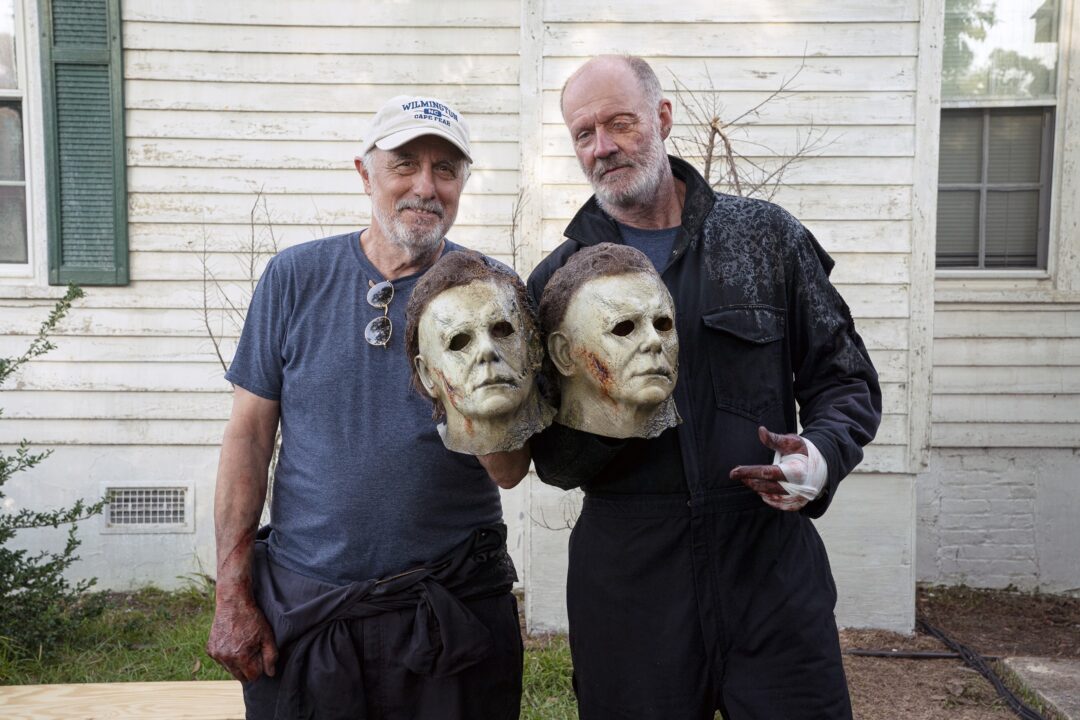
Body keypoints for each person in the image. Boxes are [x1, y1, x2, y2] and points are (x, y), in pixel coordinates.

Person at [526, 55, 882, 720]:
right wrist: (614, 414)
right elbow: (550, 462)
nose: (602, 147)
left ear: (662, 119)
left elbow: (845, 379)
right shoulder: (557, 283)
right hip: (630, 582)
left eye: (620, 124)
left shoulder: (764, 239)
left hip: (768, 565)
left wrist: (822, 455)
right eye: (583, 134)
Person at [206, 95, 528, 720]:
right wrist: (231, 593)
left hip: (450, 611)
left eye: (446, 169)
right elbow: (247, 437)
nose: (425, 187)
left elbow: (510, 470)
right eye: (404, 165)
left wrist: (467, 368)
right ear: (364, 173)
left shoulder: (493, 292)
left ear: (463, 182)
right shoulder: (295, 277)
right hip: (312, 611)